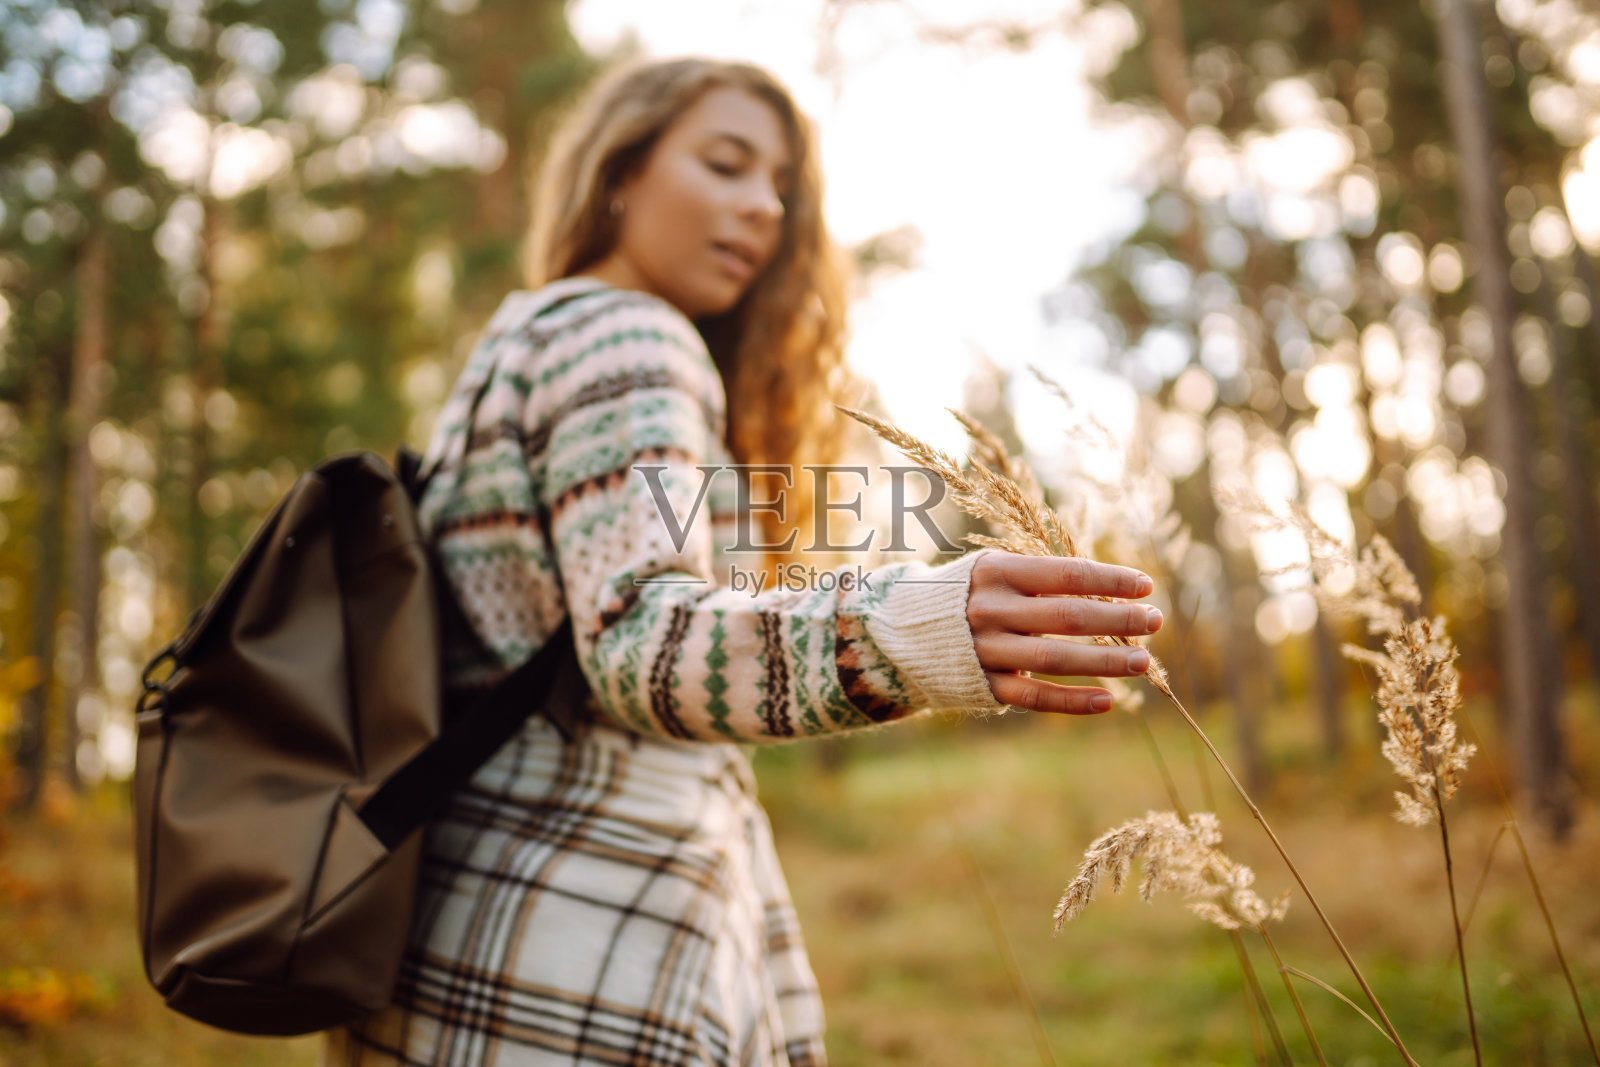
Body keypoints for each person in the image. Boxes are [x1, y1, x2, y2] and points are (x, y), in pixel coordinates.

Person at [320, 56, 1161, 1067]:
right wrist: (908, 627)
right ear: (618, 173)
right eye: (725, 164)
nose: (761, 208)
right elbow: (642, 639)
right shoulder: (625, 333)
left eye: (778, 188)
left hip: (455, 934)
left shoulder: (520, 339)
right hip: (577, 960)